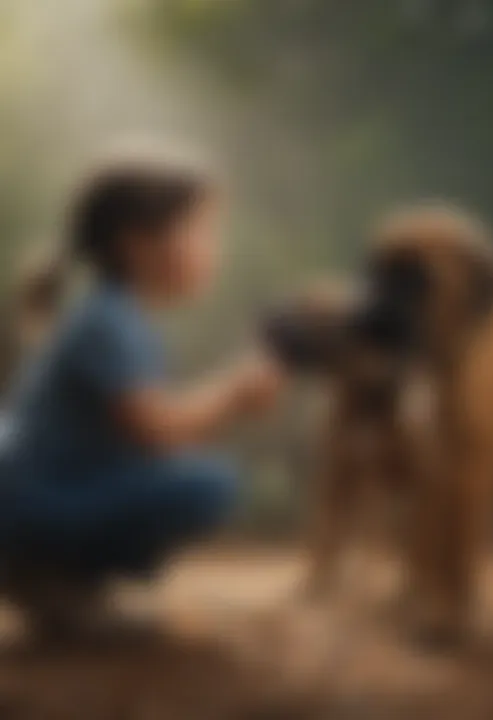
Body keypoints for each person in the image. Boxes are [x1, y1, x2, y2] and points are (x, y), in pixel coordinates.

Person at [0, 150, 284, 639]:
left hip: (37, 488)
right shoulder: (110, 319)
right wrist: (234, 392)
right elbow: (155, 430)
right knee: (206, 484)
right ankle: (50, 580)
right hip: (29, 500)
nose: (213, 248)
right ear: (136, 245)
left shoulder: (116, 314)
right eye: (200, 231)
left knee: (188, 476)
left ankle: (64, 579)